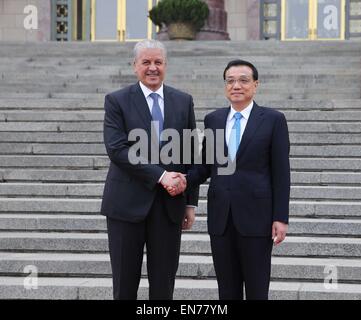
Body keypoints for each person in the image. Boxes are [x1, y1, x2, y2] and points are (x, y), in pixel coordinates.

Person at [170, 59, 290, 300]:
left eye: (243, 80)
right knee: (227, 290)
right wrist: (181, 179)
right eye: (230, 81)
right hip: (221, 218)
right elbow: (205, 166)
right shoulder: (214, 120)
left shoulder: (273, 120)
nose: (237, 85)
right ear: (225, 86)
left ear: (255, 85)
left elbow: (281, 172)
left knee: (257, 290)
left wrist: (280, 217)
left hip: (257, 217)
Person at [101, 39, 199, 300]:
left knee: (164, 285)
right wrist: (161, 175)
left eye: (158, 62)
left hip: (169, 206)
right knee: (124, 284)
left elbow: (190, 152)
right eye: (146, 62)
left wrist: (190, 203)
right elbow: (118, 149)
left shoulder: (183, 100)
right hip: (125, 204)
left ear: (166, 65)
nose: (152, 68)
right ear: (135, 66)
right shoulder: (117, 101)